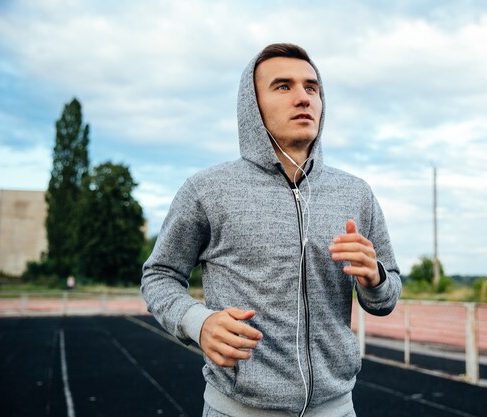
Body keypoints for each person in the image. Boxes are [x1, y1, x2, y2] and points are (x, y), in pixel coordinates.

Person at [141, 43, 401, 417]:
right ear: (252, 105)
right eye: (283, 86)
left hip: (338, 410)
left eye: (312, 88)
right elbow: (159, 274)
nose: (303, 98)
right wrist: (198, 322)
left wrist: (374, 279)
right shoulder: (207, 190)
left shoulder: (355, 193)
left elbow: (387, 296)